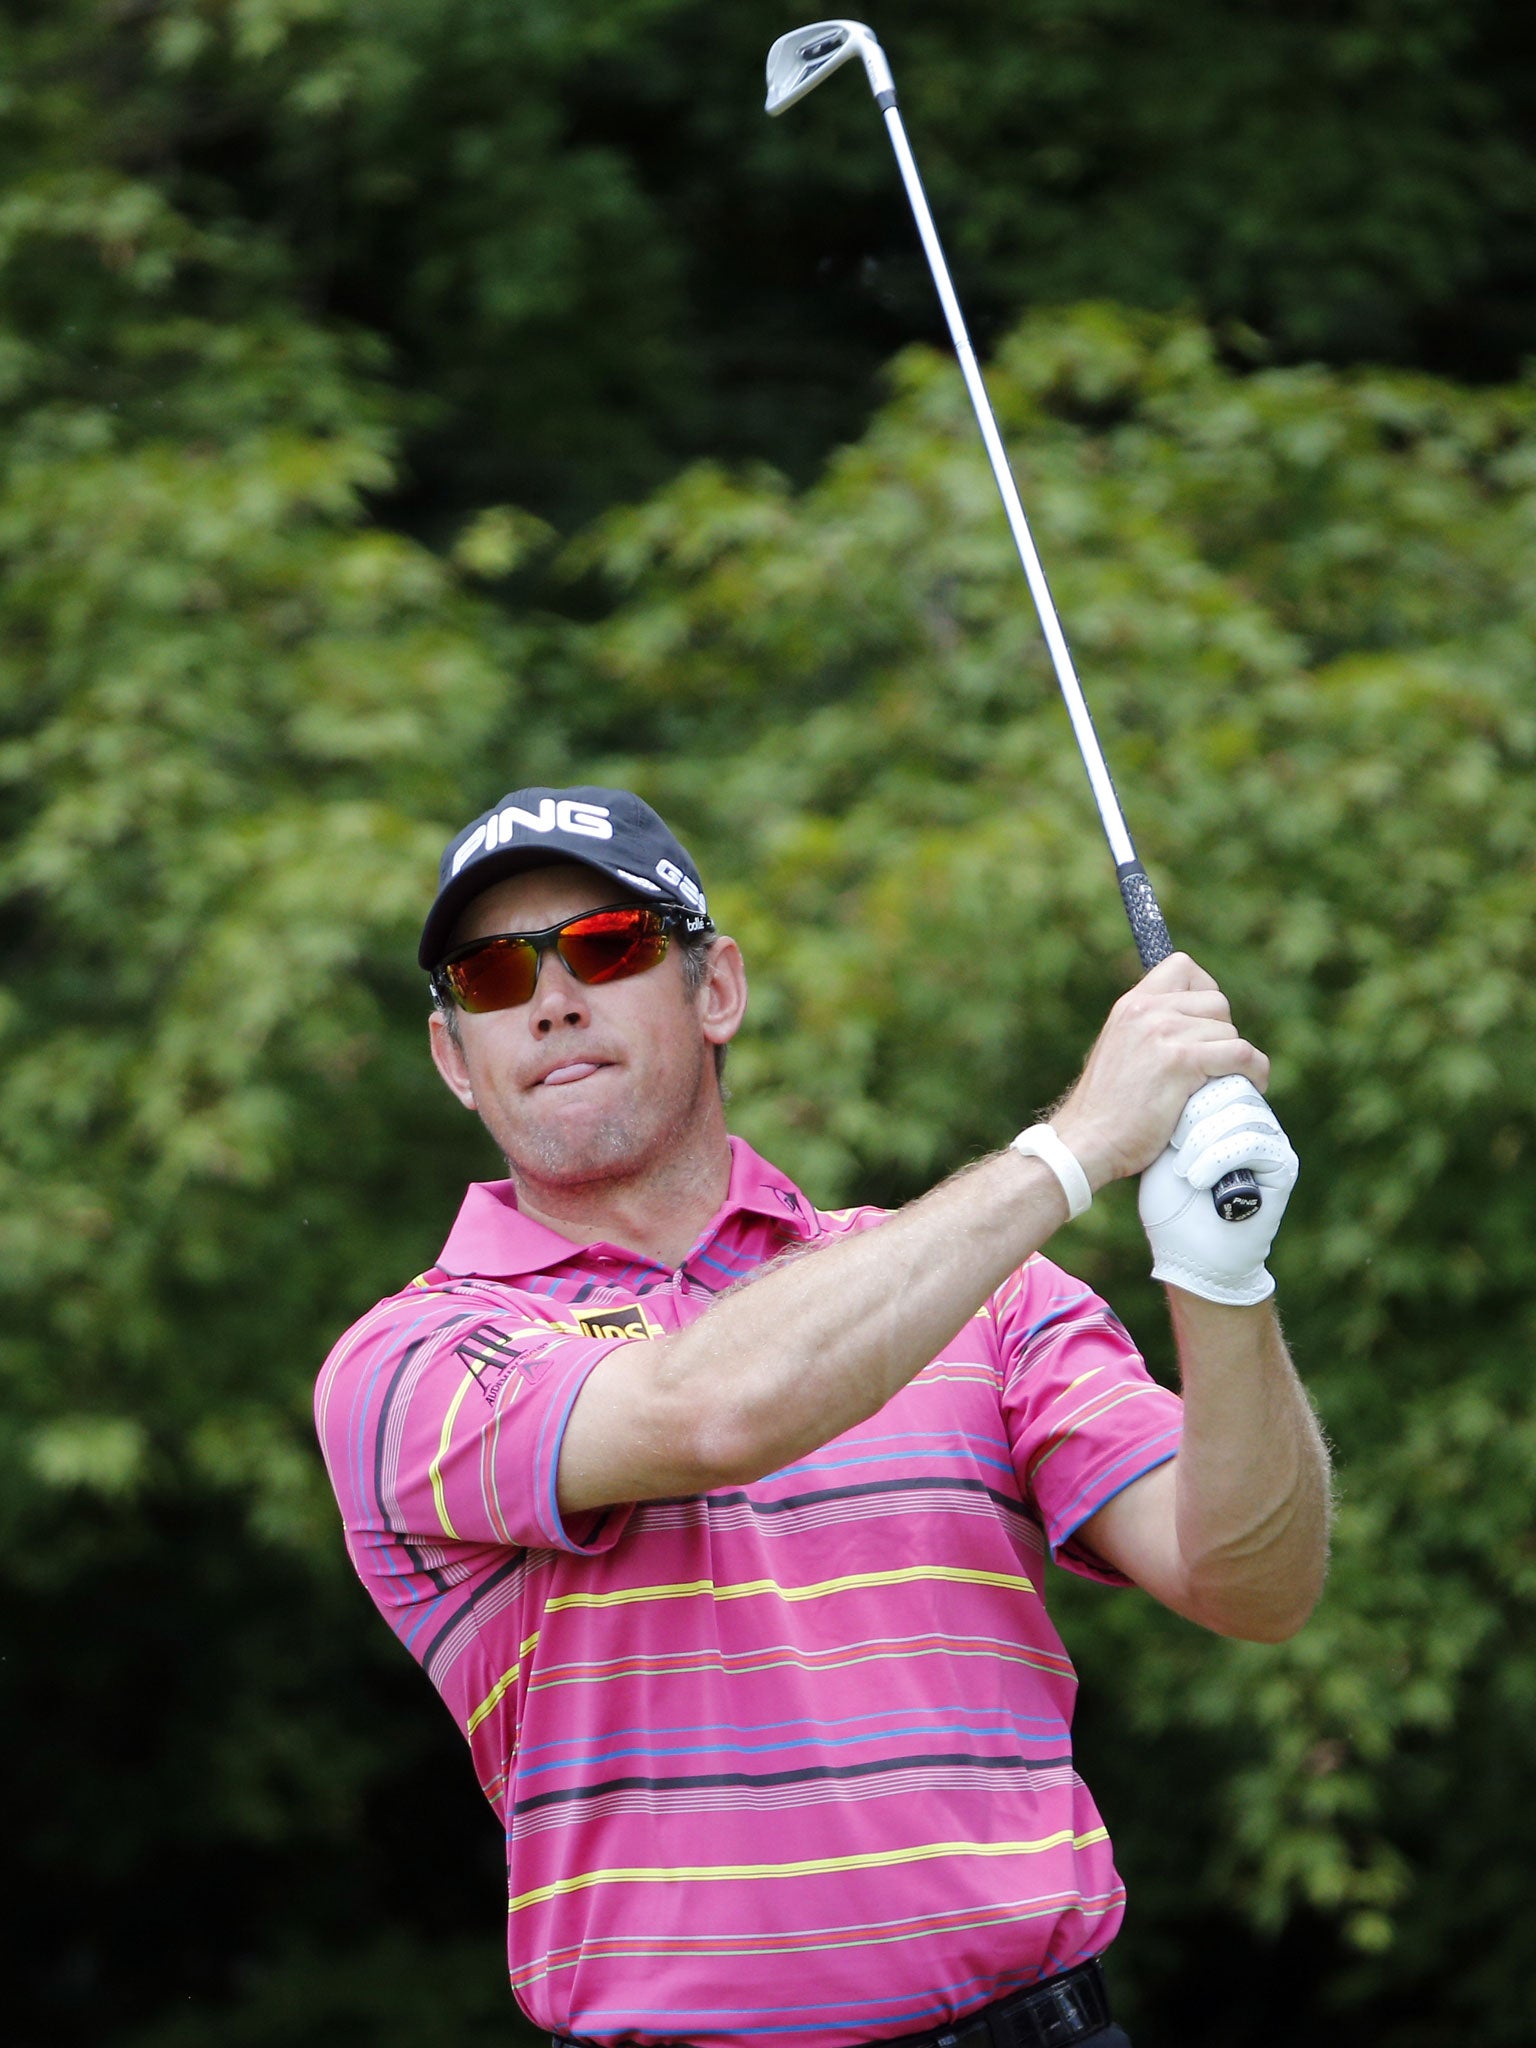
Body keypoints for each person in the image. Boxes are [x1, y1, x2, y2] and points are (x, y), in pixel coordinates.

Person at [315, 784, 1330, 2048]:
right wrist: (1073, 1146)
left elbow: (1253, 1581)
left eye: (607, 944)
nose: (552, 997)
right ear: (454, 1059)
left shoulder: (984, 1288)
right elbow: (712, 1409)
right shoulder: (409, 1359)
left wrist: (1224, 1282)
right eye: (489, 975)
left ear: (717, 987)